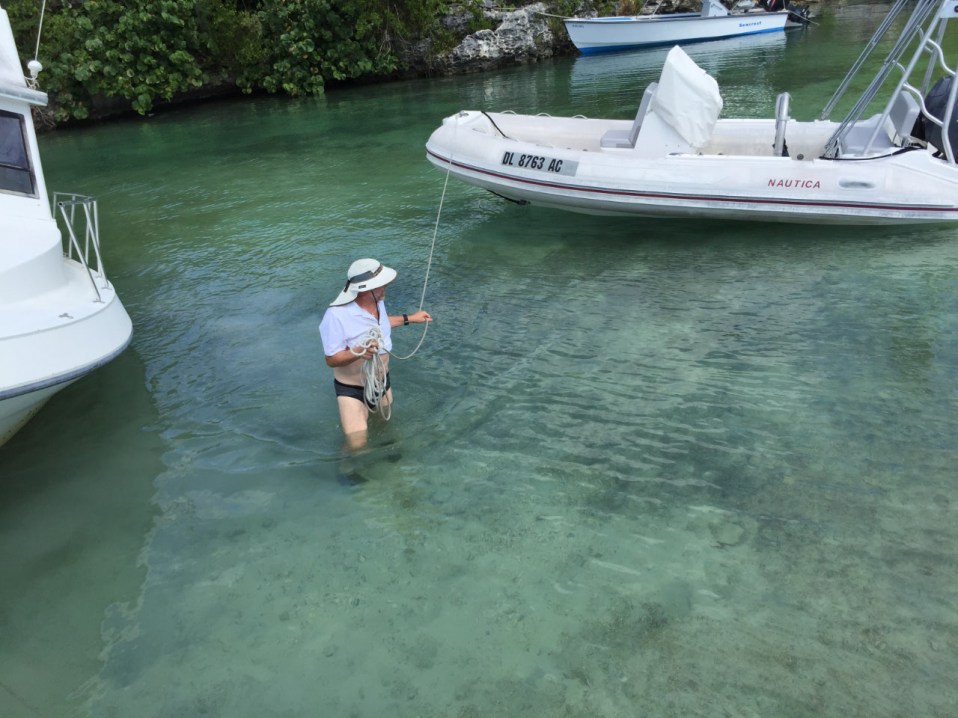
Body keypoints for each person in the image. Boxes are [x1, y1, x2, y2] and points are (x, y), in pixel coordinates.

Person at [319, 258, 432, 450]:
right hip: (352, 390)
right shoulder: (336, 315)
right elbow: (331, 359)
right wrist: (358, 353)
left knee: (384, 425)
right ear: (365, 289)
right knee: (357, 443)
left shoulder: (378, 302)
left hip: (382, 382)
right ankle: (346, 464)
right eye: (381, 285)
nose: (385, 287)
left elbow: (382, 323)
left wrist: (410, 318)